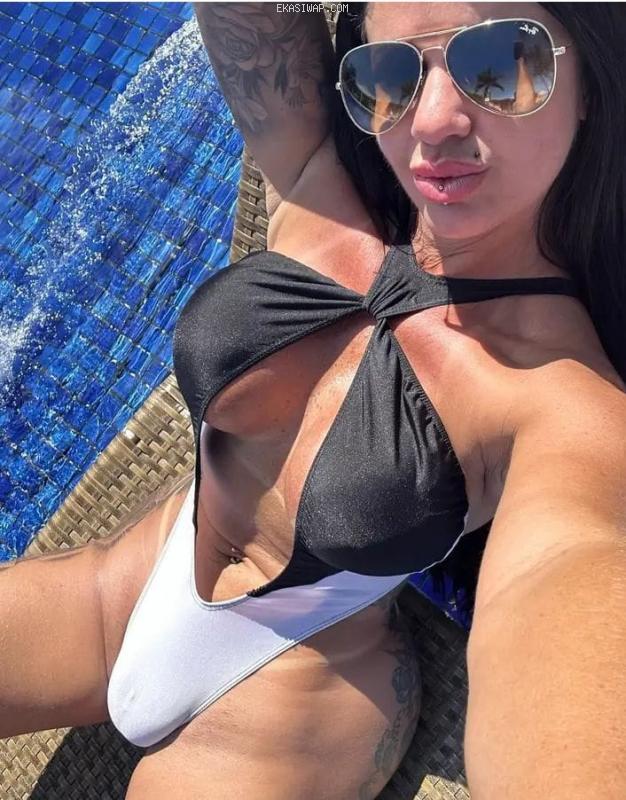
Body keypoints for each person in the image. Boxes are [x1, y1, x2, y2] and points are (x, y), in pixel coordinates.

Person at [1, 3, 625, 798]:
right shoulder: (315, 183)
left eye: (500, 61)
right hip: (116, 590)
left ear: (589, 79)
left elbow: (574, 580)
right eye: (393, 75)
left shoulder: (564, 405)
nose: (432, 119)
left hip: (293, 690)